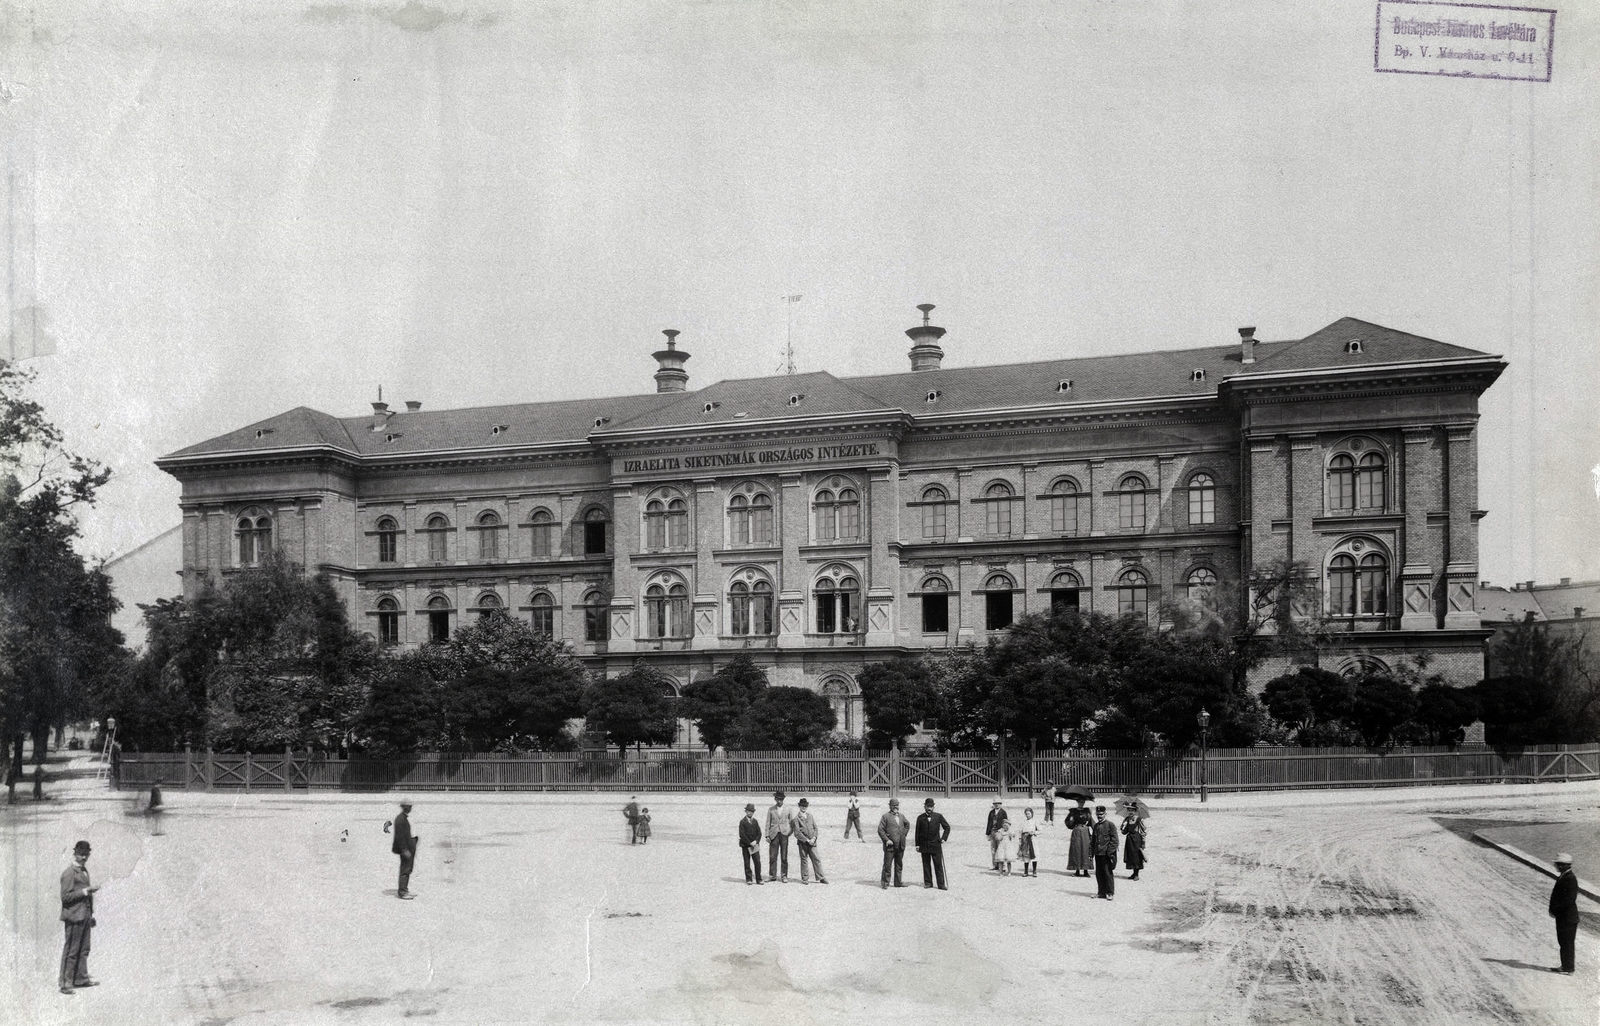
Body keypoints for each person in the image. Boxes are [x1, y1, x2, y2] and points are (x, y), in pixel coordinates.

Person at [59, 840, 99, 995]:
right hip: (74, 917)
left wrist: (91, 915)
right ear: (75, 853)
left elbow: (86, 897)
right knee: (72, 950)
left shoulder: (83, 870)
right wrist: (85, 891)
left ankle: (80, 979)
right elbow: (65, 897)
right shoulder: (69, 873)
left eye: (86, 854)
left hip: (84, 916)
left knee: (84, 949)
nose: (84, 857)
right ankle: (65, 983)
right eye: (81, 854)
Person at [1549, 853, 1579, 974]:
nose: (1555, 866)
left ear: (1563, 865)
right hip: (1564, 916)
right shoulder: (1564, 876)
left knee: (1567, 943)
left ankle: (1569, 968)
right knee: (1563, 942)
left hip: (1567, 917)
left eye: (1557, 864)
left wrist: (1555, 910)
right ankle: (1565, 965)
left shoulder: (1570, 878)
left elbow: (1569, 900)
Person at [915, 797, 951, 890]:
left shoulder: (938, 816)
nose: (929, 808)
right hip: (924, 845)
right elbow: (917, 832)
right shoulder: (920, 818)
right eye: (928, 806)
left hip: (936, 845)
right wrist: (917, 844)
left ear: (934, 807)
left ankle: (941, 884)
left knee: (938, 865)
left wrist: (943, 839)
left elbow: (947, 827)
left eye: (931, 806)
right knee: (926, 865)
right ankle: (928, 883)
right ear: (924, 807)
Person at [792, 798, 828, 884]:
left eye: (805, 806)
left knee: (816, 859)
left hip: (813, 842)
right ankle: (805, 878)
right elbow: (797, 833)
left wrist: (814, 838)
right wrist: (807, 840)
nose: (804, 807)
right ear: (799, 806)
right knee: (804, 860)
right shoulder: (796, 818)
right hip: (803, 843)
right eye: (802, 806)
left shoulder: (810, 816)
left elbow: (815, 828)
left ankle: (821, 877)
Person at [877, 797, 910, 888]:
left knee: (899, 865)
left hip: (900, 845)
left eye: (897, 805)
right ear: (890, 806)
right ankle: (885, 883)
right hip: (890, 846)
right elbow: (880, 830)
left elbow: (907, 825)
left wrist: (903, 835)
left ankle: (898, 882)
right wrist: (887, 840)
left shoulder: (902, 816)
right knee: (887, 865)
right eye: (893, 805)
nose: (895, 807)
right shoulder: (885, 816)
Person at [766, 790, 796, 882]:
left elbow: (792, 822)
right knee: (772, 856)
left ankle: (784, 876)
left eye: (781, 799)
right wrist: (767, 835)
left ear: (783, 799)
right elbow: (768, 822)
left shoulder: (788, 809)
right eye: (778, 799)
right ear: (775, 799)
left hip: (784, 834)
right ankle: (772, 875)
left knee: (784, 856)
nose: (779, 801)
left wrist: (789, 832)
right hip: (774, 834)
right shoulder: (771, 809)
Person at [392, 798, 418, 899]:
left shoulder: (403, 818)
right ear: (405, 807)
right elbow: (400, 837)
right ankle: (402, 892)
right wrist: (404, 850)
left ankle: (405, 889)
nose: (411, 808)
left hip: (409, 847)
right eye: (409, 806)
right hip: (405, 849)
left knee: (408, 869)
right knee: (405, 869)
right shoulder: (400, 819)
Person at [1092, 805, 1119, 899]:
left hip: (1106, 854)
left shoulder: (1110, 825)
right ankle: (1101, 892)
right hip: (1098, 853)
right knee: (1099, 874)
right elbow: (1093, 841)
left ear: (1105, 814)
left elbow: (1115, 841)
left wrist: (1110, 852)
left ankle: (1110, 893)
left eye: (1101, 814)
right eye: (1097, 814)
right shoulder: (1095, 826)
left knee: (1108, 873)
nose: (1099, 816)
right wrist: (1091, 853)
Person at [1066, 798, 1094, 877]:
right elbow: (1068, 823)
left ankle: (1086, 871)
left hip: (1085, 832)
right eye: (1079, 802)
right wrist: (1070, 820)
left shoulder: (1087, 811)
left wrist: (1096, 830)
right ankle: (1077, 870)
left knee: (1086, 850)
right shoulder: (1073, 811)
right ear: (1077, 802)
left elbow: (1091, 822)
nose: (1081, 803)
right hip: (1077, 831)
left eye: (1083, 802)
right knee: (1076, 850)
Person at [739, 804, 764, 885]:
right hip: (746, 845)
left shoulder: (755, 821)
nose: (750, 813)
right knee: (747, 862)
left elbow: (759, 833)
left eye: (752, 811)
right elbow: (742, 835)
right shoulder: (742, 822)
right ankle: (749, 879)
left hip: (754, 845)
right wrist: (750, 843)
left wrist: (756, 841)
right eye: (749, 811)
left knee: (757, 862)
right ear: (746, 811)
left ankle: (758, 879)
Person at [985, 799, 1010, 871]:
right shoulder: (991, 812)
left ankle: (1003, 866)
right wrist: (988, 833)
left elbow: (1006, 823)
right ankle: (995, 865)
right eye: (995, 803)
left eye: (998, 803)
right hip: (992, 831)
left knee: (1001, 848)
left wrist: (1004, 831)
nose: (997, 805)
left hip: (1000, 832)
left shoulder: (1003, 812)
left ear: (1000, 804)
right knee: (993, 849)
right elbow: (989, 823)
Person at [1121, 810, 1146, 881]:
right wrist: (1123, 825)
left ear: (1135, 811)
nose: (1130, 812)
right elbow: (1124, 832)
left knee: (1137, 856)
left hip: (1137, 839)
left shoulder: (1139, 819)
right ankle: (1133, 873)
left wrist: (1143, 842)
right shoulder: (1126, 819)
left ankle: (1136, 874)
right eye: (1129, 810)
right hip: (1129, 840)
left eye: (1132, 810)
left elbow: (1143, 831)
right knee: (1131, 856)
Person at [1017, 807, 1040, 877]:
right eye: (1026, 814)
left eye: (1029, 814)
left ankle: (1034, 871)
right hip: (1025, 839)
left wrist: (1034, 832)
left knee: (1034, 855)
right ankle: (1026, 871)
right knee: (1026, 855)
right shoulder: (1024, 822)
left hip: (1032, 840)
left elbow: (1040, 831)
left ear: (1032, 814)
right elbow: (1020, 831)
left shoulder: (1035, 821)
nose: (1028, 815)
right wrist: (1020, 840)